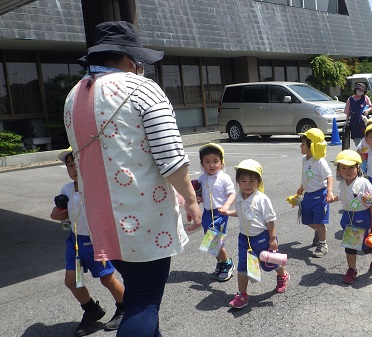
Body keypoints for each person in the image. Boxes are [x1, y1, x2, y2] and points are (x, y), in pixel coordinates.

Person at [63, 21, 201, 337]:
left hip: (101, 222)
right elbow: (171, 157)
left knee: (138, 293)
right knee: (143, 303)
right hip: (144, 222)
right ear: (128, 59)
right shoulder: (140, 88)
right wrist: (191, 199)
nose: (140, 67)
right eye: (139, 61)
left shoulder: (74, 96)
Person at [50, 148, 125, 337]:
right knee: (72, 280)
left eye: (77, 164)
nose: (74, 169)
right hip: (74, 241)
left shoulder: (97, 186)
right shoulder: (66, 189)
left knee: (106, 278)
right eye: (69, 165)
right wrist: (57, 214)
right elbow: (57, 215)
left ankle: (125, 307)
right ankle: (91, 310)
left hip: (94, 241)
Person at [223, 159, 289, 308]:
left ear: (259, 182)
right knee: (243, 267)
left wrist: (272, 239)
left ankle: (282, 275)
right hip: (244, 239)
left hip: (262, 238)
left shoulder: (262, 199)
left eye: (252, 181)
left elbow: (270, 221)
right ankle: (242, 294)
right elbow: (242, 213)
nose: (248, 184)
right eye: (243, 180)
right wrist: (228, 213)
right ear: (238, 182)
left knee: (269, 264)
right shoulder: (239, 196)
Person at [328, 150, 372, 284]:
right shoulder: (343, 183)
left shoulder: (363, 183)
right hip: (348, 216)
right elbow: (342, 196)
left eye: (351, 167)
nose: (348, 171)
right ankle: (351, 269)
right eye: (343, 168)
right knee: (350, 246)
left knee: (366, 245)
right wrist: (333, 199)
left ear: (358, 167)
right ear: (339, 170)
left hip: (362, 216)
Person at [190, 143, 236, 281]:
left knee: (216, 241)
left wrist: (226, 206)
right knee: (211, 242)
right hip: (207, 213)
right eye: (207, 162)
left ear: (221, 162)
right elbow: (202, 194)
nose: (211, 165)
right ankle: (221, 263)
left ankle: (227, 264)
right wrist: (198, 198)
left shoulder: (224, 177)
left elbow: (232, 193)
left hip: (219, 214)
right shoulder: (202, 178)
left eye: (215, 161)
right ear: (202, 164)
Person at [296, 128, 334, 257]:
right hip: (308, 194)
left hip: (320, 195)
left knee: (319, 221)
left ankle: (323, 244)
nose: (300, 146)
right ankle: (320, 230)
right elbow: (306, 175)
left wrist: (329, 191)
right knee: (306, 219)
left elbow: (329, 176)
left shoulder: (319, 162)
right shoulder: (304, 160)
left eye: (303, 144)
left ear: (311, 146)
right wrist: (302, 186)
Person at [344, 83, 372, 147]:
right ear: (355, 90)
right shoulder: (350, 99)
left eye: (362, 90)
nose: (360, 92)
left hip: (364, 122)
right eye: (359, 90)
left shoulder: (366, 98)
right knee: (357, 142)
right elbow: (348, 111)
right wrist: (346, 122)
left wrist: (367, 111)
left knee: (366, 138)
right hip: (354, 122)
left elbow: (371, 107)